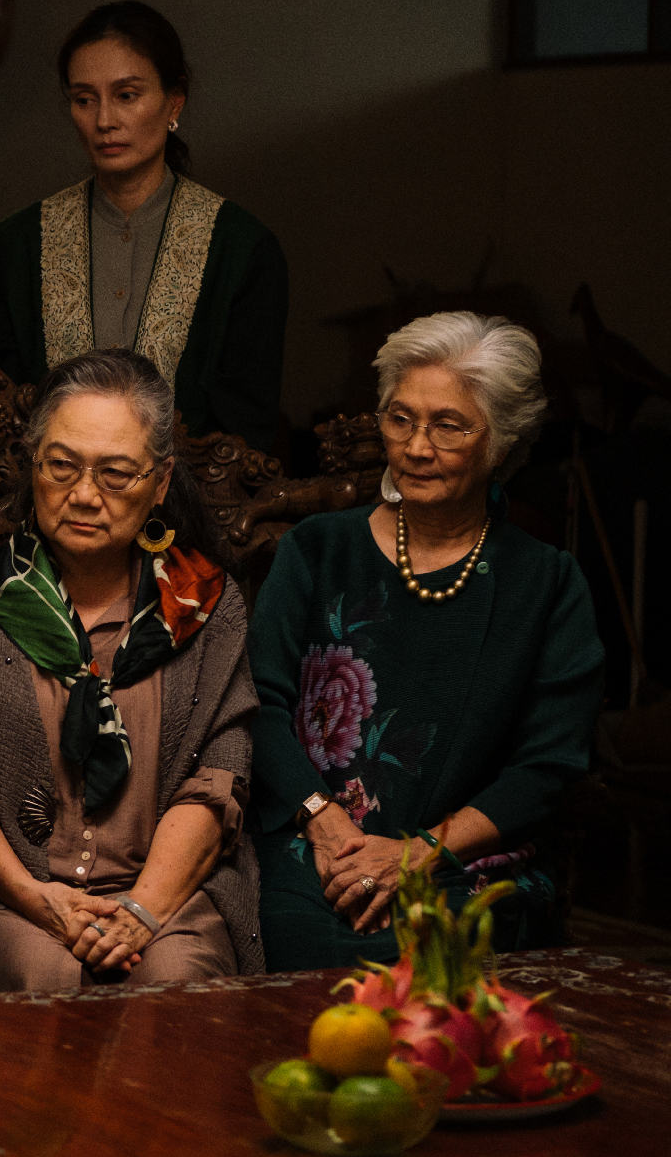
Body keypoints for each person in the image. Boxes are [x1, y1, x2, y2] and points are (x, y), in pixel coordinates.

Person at [250, 312, 602, 971]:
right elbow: (258, 700)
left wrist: (419, 852)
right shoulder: (316, 550)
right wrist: (325, 824)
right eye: (400, 418)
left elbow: (550, 765)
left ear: (500, 441)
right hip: (315, 837)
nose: (415, 446)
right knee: (292, 924)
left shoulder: (548, 584)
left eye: (449, 425)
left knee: (423, 947)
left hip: (464, 855)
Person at [0, 349, 263, 989]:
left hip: (167, 899)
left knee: (175, 979)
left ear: (161, 481)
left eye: (116, 474)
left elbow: (218, 777)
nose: (84, 495)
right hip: (15, 895)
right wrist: (39, 901)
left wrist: (142, 910)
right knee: (41, 972)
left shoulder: (206, 603)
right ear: (32, 466)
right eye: (61, 467)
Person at [0, 1, 288, 452]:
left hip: (189, 512)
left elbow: (245, 433)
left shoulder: (243, 248)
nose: (104, 121)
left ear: (175, 100)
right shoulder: (15, 245)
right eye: (84, 99)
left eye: (127, 95)